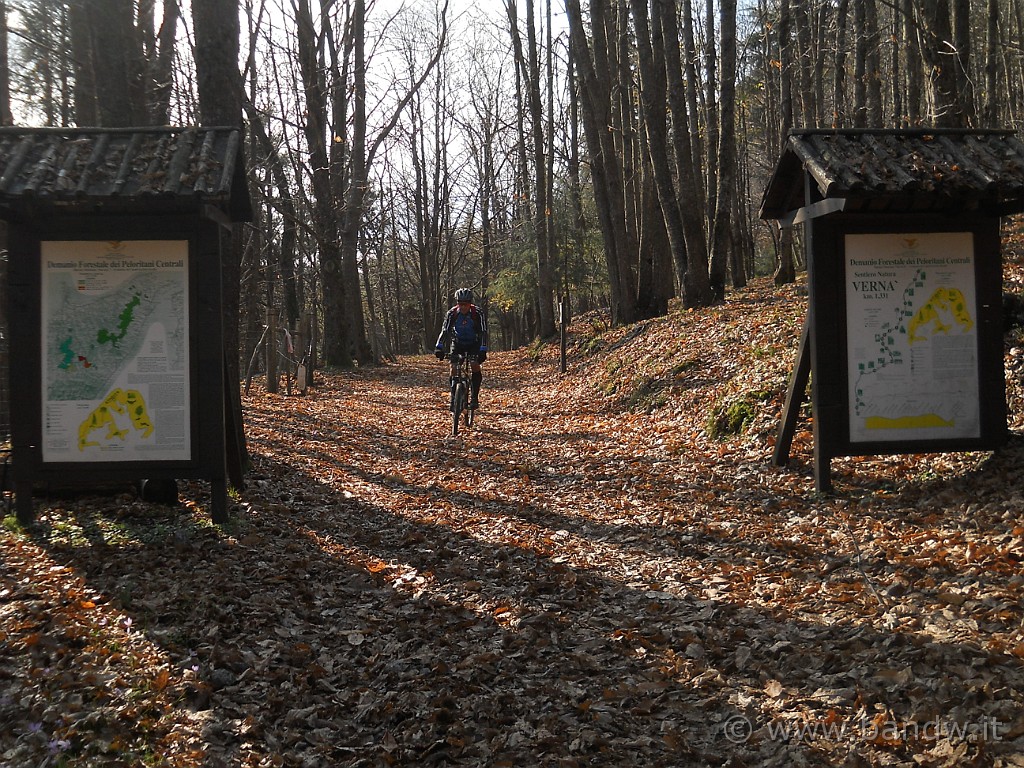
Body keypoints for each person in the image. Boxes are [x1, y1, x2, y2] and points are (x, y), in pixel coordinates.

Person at [435, 288, 488, 409]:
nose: (463, 307)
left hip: (473, 342)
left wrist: (483, 349)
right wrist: (439, 347)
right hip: (458, 342)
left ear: (470, 303)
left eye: (466, 304)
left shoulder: (477, 313)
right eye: (461, 304)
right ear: (457, 303)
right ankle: (454, 397)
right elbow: (445, 331)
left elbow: (483, 332)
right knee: (453, 368)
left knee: (475, 365)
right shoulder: (452, 313)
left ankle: (474, 397)